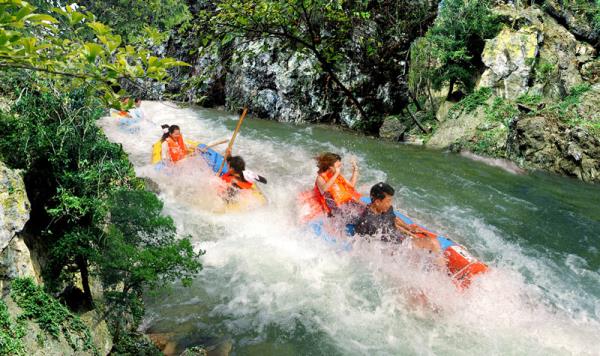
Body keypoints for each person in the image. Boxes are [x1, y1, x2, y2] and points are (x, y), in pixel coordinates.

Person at [355, 182, 442, 255]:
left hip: (400, 241)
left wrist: (408, 228)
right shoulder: (369, 222)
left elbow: (393, 218)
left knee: (431, 244)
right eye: (388, 201)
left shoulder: (384, 208)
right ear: (377, 202)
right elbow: (370, 245)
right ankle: (442, 273)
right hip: (394, 250)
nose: (390, 204)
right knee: (433, 243)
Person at [313, 152, 362, 220]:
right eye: (338, 166)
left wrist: (355, 170)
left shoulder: (336, 175)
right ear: (330, 167)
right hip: (333, 209)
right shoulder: (320, 178)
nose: (340, 168)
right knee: (356, 218)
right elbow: (324, 188)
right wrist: (336, 174)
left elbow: (351, 185)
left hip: (343, 203)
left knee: (365, 208)